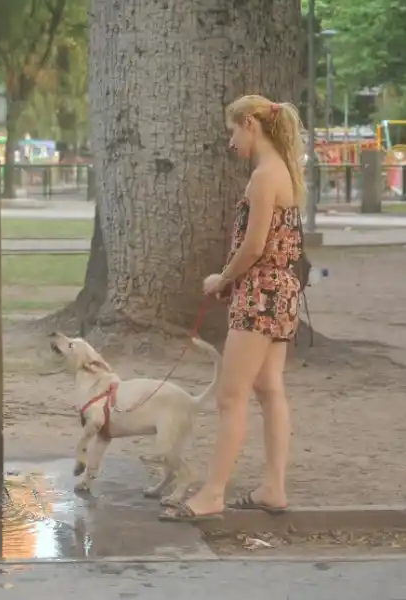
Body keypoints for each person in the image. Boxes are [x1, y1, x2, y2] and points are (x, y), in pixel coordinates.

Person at [159, 95, 304, 522]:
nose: (231, 142)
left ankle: (212, 494)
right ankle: (274, 487)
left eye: (233, 131)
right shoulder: (288, 174)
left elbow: (254, 246)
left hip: (259, 293)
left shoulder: (263, 177)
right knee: (269, 388)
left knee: (230, 395)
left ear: (250, 124)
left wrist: (222, 279)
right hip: (281, 291)